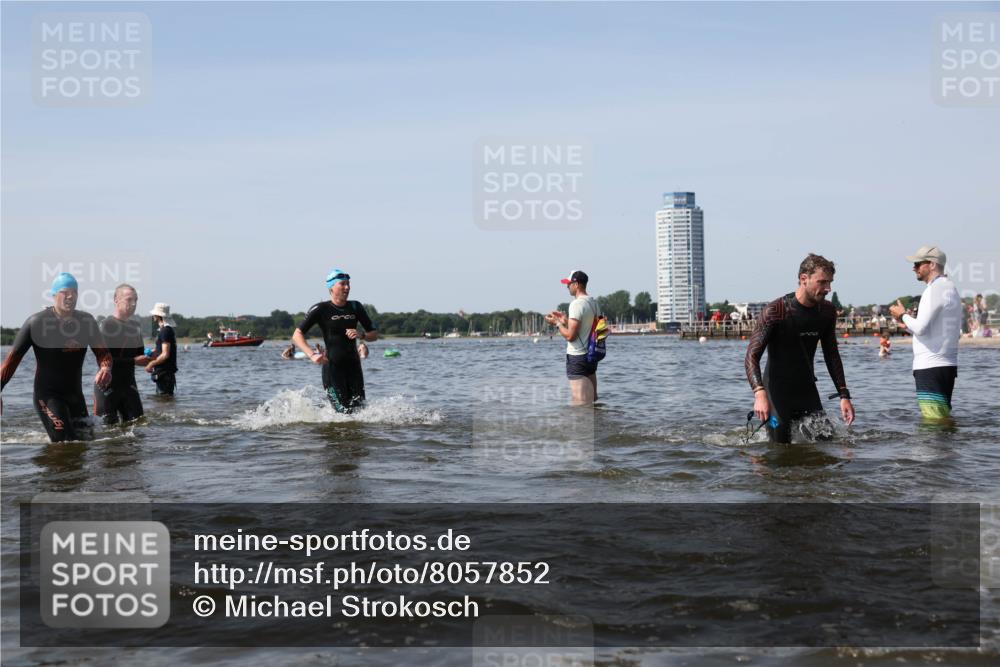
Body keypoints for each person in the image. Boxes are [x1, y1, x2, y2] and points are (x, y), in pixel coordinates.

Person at [745, 254, 855, 443]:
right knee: (779, 450)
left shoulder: (827, 312)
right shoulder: (776, 310)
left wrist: (844, 396)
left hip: (806, 390)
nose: (828, 289)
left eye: (830, 283)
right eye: (822, 282)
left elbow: (832, 354)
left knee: (826, 443)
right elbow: (751, 356)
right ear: (804, 279)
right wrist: (759, 393)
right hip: (775, 393)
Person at [0, 273, 112, 442]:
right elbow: (12, 360)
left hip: (75, 396)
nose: (70, 296)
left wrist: (105, 367)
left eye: (74, 292)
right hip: (47, 395)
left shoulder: (86, 322)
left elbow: (103, 353)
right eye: (65, 292)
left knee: (86, 444)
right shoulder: (36, 323)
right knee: (66, 442)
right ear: (54, 295)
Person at [889, 246, 962, 421]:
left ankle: (934, 449)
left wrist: (903, 315)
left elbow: (921, 328)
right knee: (941, 418)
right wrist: (905, 322)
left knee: (933, 421)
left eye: (917, 264)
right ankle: (948, 448)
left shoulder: (934, 289)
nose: (914, 268)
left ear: (932, 264)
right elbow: (928, 330)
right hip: (945, 365)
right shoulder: (949, 287)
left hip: (930, 366)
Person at [292, 268, 378, 413]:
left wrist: (361, 335)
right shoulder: (320, 309)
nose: (347, 287)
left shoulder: (355, 306)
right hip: (332, 368)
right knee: (342, 413)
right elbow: (297, 335)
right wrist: (312, 355)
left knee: (360, 412)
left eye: (348, 284)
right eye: (343, 284)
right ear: (331, 287)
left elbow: (374, 335)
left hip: (354, 367)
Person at [545, 270, 601, 405]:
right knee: (592, 398)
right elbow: (586, 328)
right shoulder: (594, 303)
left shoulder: (576, 304)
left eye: (569, 284)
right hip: (591, 356)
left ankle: (580, 426)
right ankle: (597, 425)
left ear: (576, 284)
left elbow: (570, 336)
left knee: (579, 401)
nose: (567, 287)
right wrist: (566, 321)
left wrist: (557, 323)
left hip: (577, 357)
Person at [96, 284, 150, 424]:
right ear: (116, 300)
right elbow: (102, 360)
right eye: (129, 299)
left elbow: (139, 355)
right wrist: (134, 361)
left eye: (136, 300)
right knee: (107, 437)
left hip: (129, 385)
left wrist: (152, 357)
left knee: (139, 428)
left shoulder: (135, 327)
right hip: (107, 387)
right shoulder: (106, 325)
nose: (133, 304)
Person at [146, 303, 178, 396]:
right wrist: (153, 352)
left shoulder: (165, 331)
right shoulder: (165, 330)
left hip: (165, 373)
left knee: (163, 400)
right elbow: (161, 350)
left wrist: (151, 364)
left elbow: (165, 354)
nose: (153, 316)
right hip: (164, 373)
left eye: (154, 314)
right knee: (164, 402)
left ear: (159, 316)